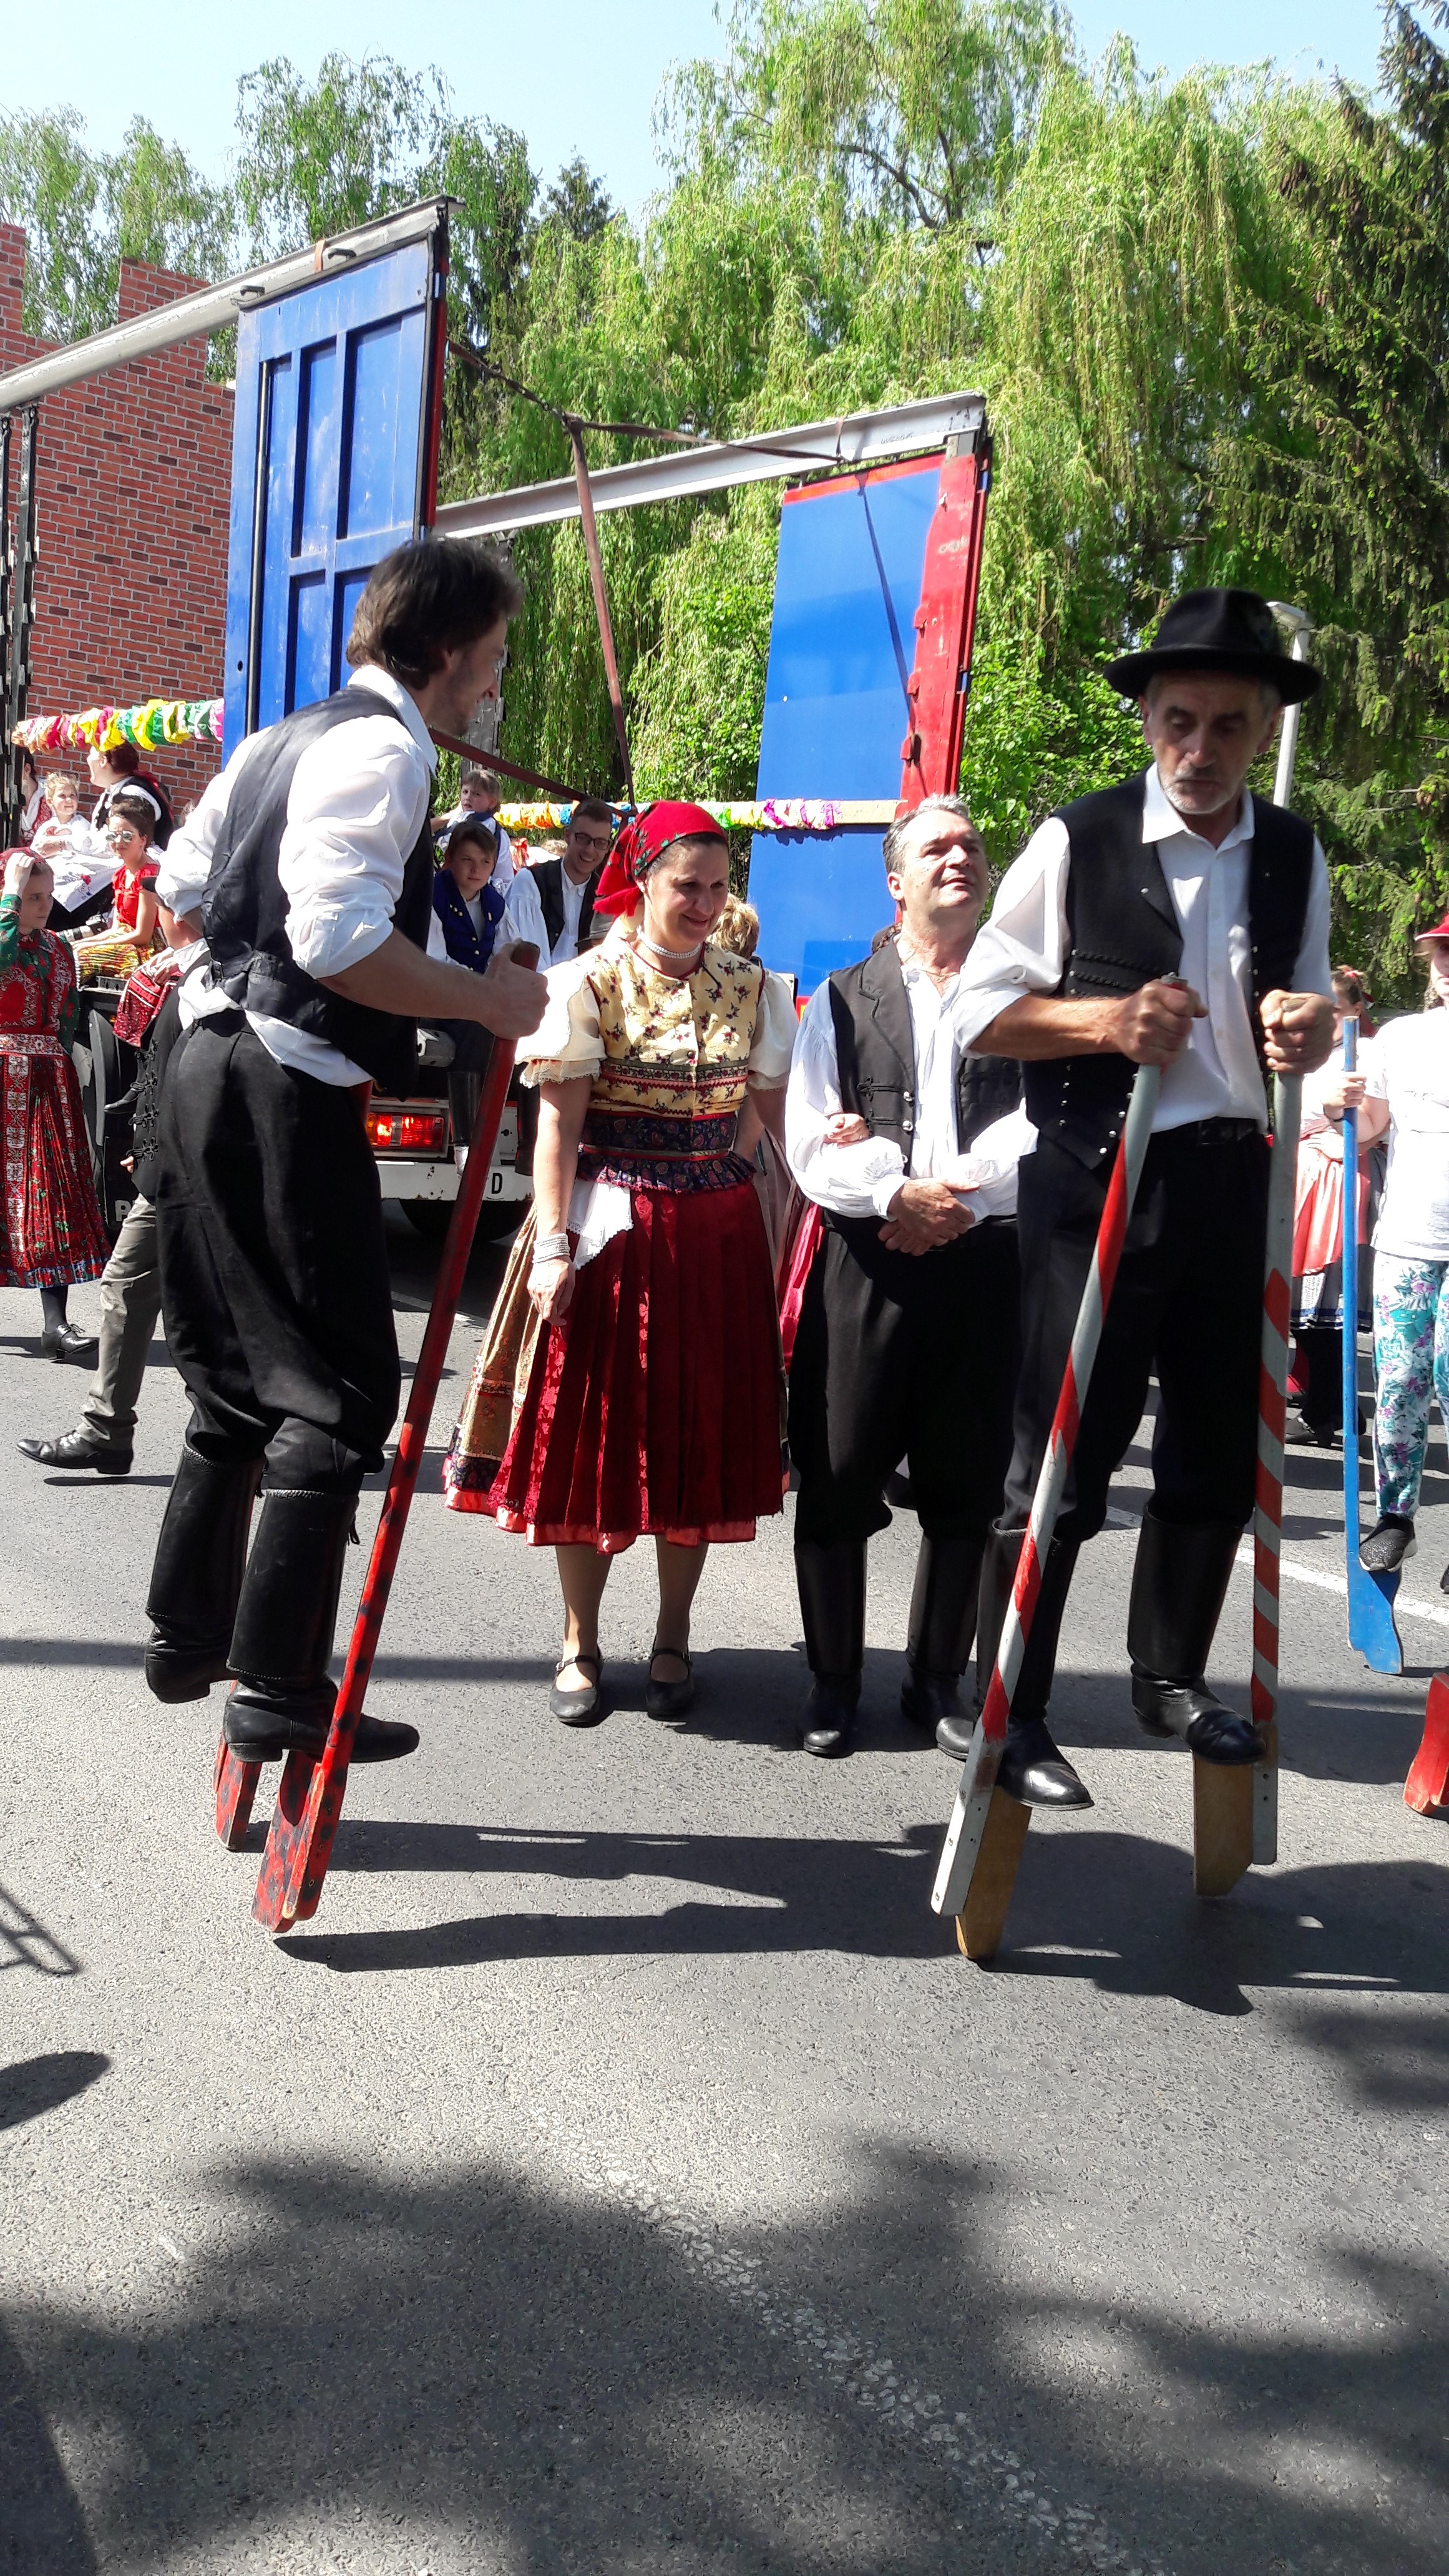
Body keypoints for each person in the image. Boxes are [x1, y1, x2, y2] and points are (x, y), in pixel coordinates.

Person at [142, 537, 547, 1770]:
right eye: (491, 658)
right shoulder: (384, 750)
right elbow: (334, 939)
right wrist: (483, 1001)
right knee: (338, 1394)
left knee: (236, 1377)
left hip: (203, 1056)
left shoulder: (283, 738)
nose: (494, 683)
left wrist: (244, 973)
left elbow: (181, 884)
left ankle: (189, 1633)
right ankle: (275, 1684)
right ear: (444, 651)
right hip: (277, 1078)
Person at [951, 587, 1335, 1807]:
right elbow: (975, 1012)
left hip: (1235, 1177)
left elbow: (1310, 1003)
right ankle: (1008, 1704)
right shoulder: (1080, 839)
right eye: (1180, 721)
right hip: (1098, 1178)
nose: (1201, 749)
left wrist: (1312, 1027)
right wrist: (1106, 1021)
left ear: (1261, 725)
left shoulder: (1292, 854)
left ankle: (1168, 1676)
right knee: (1062, 1454)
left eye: (1227, 725)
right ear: (1147, 719)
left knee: (1220, 1449)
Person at [444, 801, 796, 1724]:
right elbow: (556, 1133)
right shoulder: (586, 984)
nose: (704, 903)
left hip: (714, 1235)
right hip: (610, 1227)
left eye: (717, 887)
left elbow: (772, 1116)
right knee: (590, 1437)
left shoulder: (755, 988)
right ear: (642, 883)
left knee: (698, 1439)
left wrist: (814, 1172)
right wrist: (551, 1246)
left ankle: (673, 1637)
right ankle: (580, 1639)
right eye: (687, 885)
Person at [784, 796, 1030, 1756]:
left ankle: (935, 1683)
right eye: (935, 848)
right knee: (837, 1471)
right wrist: (893, 1192)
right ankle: (832, 1682)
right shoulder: (844, 997)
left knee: (967, 1484)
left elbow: (1041, 1125)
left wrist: (956, 1192)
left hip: (981, 1258)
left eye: (970, 845)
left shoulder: (1025, 993)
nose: (957, 857)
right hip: (869, 1263)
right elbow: (809, 1134)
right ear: (896, 880)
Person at [17, 904, 207, 1475]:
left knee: (213, 1307)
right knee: (126, 1284)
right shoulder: (180, 973)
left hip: (208, 1168)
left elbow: (207, 1079)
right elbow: (159, 1072)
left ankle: (237, 1436)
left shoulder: (224, 979)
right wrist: (148, 1141)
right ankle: (106, 1430)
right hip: (169, 1166)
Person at [1330, 917, 1449, 1581]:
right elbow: (1371, 1126)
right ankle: (1395, 1516)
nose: (1447, 966)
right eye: (1441, 954)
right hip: (1407, 1239)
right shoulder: (1400, 1039)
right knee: (1401, 1379)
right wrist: (1339, 1104)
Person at [0, 851, 109, 1359]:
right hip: (3, 1075)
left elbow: (68, 1014)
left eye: (46, 896)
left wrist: (57, 1064)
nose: (44, 906)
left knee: (52, 1195)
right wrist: (9, 898)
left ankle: (55, 1324)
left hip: (48, 1083)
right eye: (32, 897)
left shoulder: (57, 948)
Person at [1284, 967, 1371, 1448]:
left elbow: (1367, 1126)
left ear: (1355, 1010)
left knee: (1325, 1305)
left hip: (1337, 1181)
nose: (1326, 1019)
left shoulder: (1363, 1055)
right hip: (1308, 1176)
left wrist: (1328, 1123)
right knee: (1303, 1309)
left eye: (1334, 1010)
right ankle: (1332, 1405)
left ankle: (1330, 1408)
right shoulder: (1316, 1058)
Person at [502, 799, 615, 965]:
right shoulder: (530, 883)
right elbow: (527, 964)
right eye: (583, 838)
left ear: (607, 847)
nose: (590, 850)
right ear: (568, 836)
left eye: (600, 843)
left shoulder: (605, 897)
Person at [431, 817, 506, 972]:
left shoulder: (495, 902)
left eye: (485, 862)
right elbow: (434, 960)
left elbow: (507, 951)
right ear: (449, 858)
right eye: (467, 860)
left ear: (494, 864)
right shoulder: (433, 897)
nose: (476, 870)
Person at [432, 766, 515, 892]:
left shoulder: (492, 829)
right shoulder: (458, 819)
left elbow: (504, 875)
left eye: (477, 794)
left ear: (492, 802)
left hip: (478, 886)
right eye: (465, 792)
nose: (468, 797)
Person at [86, 741, 173, 848]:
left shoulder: (132, 795)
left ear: (103, 761)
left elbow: (126, 843)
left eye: (90, 754)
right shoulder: (114, 790)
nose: (88, 759)